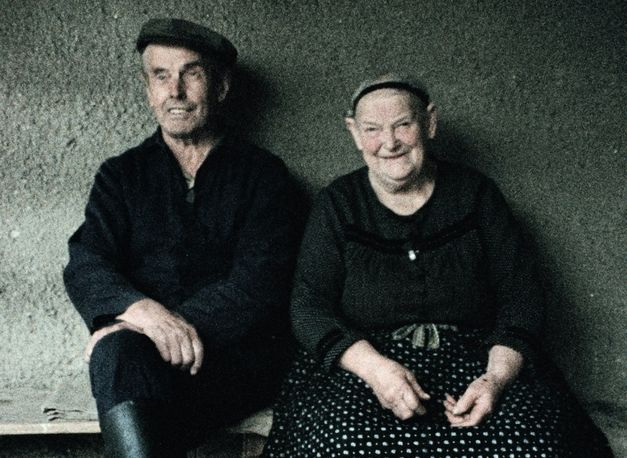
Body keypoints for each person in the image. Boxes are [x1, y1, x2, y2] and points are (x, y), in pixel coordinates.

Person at [263, 74, 613, 457]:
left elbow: (522, 296)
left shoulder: (474, 194)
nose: (390, 142)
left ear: (429, 122)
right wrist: (376, 370)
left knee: (533, 445)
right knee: (339, 445)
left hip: (477, 360)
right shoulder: (338, 203)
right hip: (366, 367)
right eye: (372, 129)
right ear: (354, 132)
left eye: (403, 125)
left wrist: (495, 380)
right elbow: (308, 307)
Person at [63, 18, 300, 457]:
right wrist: (145, 315)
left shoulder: (263, 175)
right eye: (160, 76)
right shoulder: (122, 175)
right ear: (147, 87)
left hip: (234, 360)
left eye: (191, 73)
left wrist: (151, 327)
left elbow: (259, 283)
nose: (175, 91)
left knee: (121, 360)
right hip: (145, 362)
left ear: (221, 87)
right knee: (117, 356)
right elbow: (87, 262)